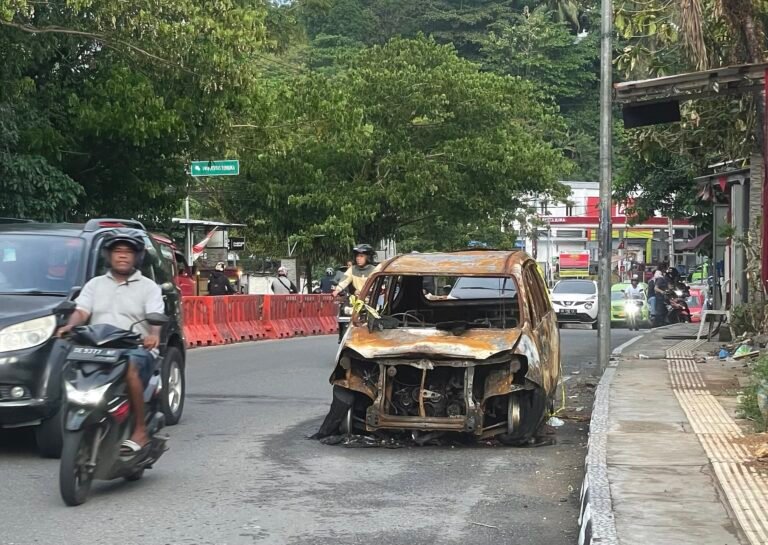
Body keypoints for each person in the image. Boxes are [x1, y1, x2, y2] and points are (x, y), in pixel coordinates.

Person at [56, 230, 163, 454]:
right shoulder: (94, 284)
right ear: (109, 256)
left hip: (135, 348)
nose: (122, 256)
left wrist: (154, 335)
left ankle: (140, 431)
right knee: (65, 364)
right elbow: (82, 310)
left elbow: (155, 315)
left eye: (127, 252)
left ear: (137, 257)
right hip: (98, 348)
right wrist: (69, 326)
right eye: (117, 251)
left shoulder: (149, 287)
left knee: (131, 368)